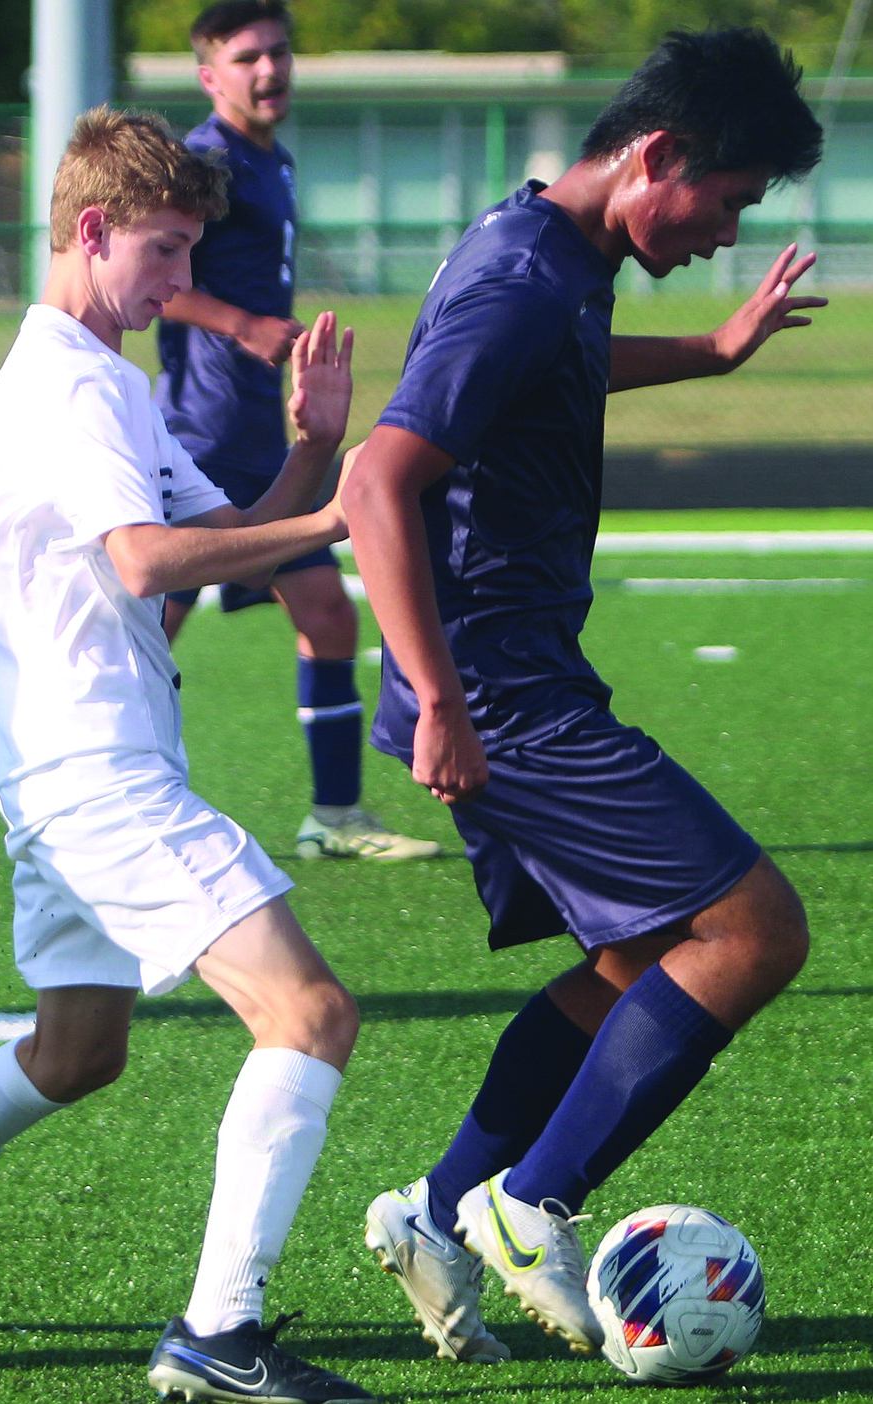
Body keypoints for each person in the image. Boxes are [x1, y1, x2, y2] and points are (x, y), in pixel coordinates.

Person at [0, 105, 373, 1404]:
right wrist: (343, 507)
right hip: (97, 771)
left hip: (57, 770)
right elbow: (149, 563)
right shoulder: (71, 380)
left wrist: (316, 449)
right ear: (94, 228)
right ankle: (218, 1337)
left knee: (78, 1049)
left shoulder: (99, 373)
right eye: (166, 256)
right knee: (312, 1013)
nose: (183, 287)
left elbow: (239, 533)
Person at [344, 27, 824, 1365]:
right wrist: (440, 697)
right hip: (499, 691)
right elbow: (376, 480)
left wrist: (713, 355)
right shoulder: (522, 273)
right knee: (752, 931)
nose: (728, 236)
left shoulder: (560, 253)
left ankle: (439, 1211)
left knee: (627, 965)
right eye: (726, 204)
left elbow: (552, 367)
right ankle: (529, 1201)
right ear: (656, 156)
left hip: (502, 676)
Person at [153, 0, 441, 862]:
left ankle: (336, 820)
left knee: (325, 613)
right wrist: (241, 325)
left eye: (278, 52)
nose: (269, 69)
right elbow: (149, 276)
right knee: (145, 632)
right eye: (246, 58)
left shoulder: (266, 162)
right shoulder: (202, 159)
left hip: (258, 434)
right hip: (202, 433)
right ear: (210, 76)